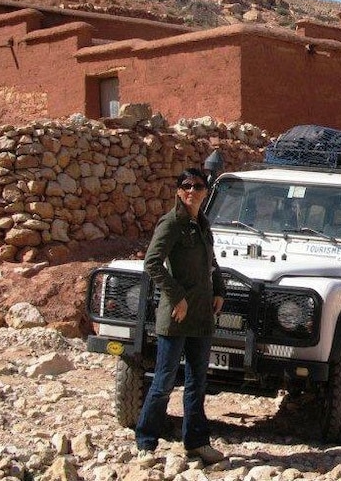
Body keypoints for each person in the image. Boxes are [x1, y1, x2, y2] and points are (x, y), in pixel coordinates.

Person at [136, 168, 226, 466]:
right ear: (178, 191)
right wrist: (177, 297)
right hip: (176, 315)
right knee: (163, 382)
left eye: (198, 186)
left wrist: (220, 289)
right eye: (186, 186)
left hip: (201, 317)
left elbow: (211, 261)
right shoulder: (172, 222)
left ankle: (196, 443)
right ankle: (146, 442)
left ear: (205, 191)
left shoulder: (202, 223)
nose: (192, 190)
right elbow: (152, 262)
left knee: (197, 383)